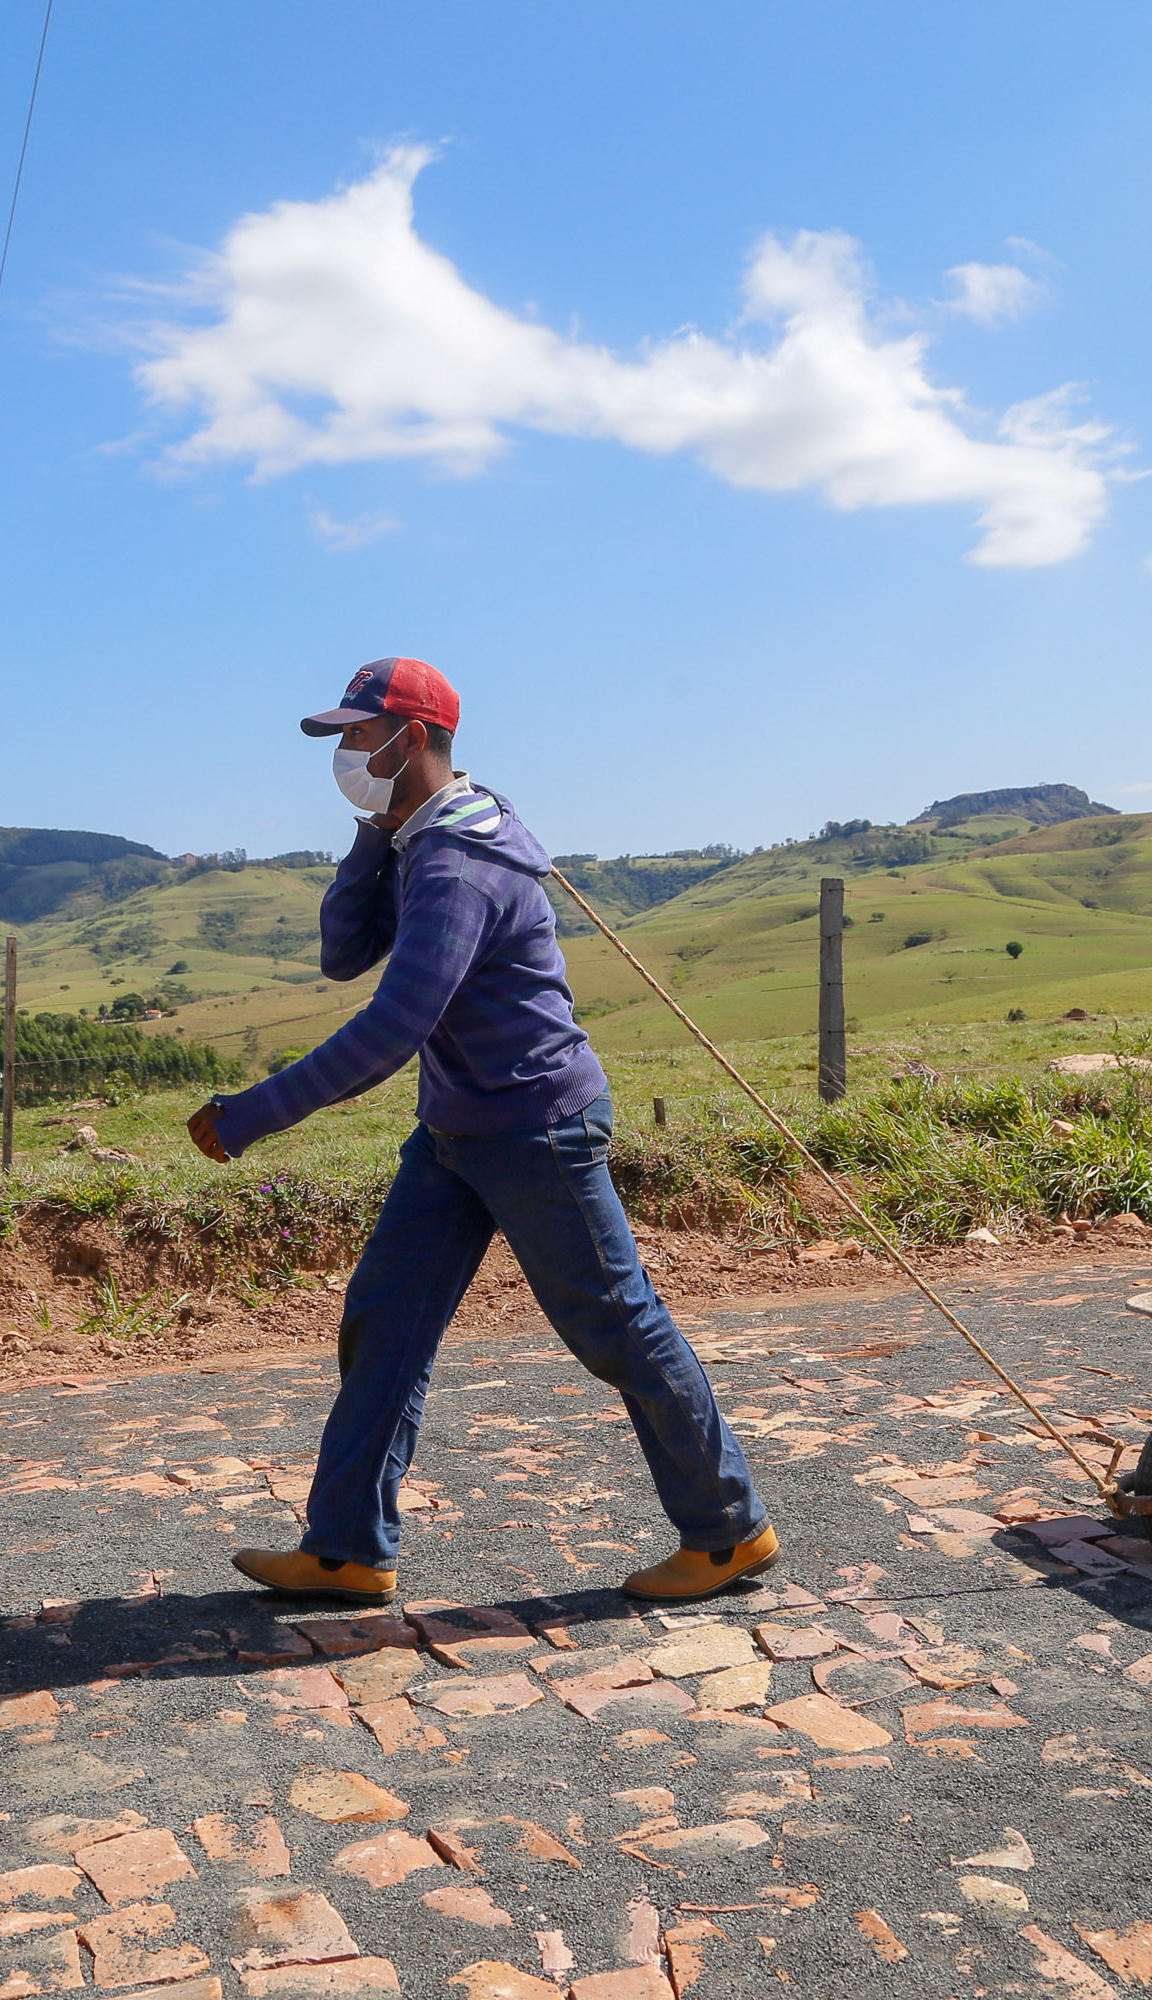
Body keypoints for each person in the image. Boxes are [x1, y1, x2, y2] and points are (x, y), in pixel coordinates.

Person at [185, 657, 774, 1605]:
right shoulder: (421, 836)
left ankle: (727, 1531)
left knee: (616, 1327)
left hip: (536, 1126)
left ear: (407, 739)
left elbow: (390, 1027)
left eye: (354, 735)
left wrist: (252, 1116)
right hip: (457, 1128)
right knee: (385, 1324)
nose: (342, 752)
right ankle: (345, 1549)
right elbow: (344, 954)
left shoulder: (460, 864)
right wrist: (373, 834)